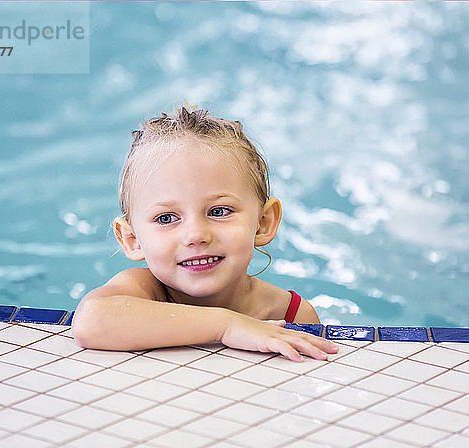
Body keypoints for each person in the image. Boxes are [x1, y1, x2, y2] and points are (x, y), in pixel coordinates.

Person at [72, 104, 340, 362]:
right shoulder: (142, 291)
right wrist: (227, 325)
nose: (196, 235)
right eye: (166, 218)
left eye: (219, 211)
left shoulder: (292, 313)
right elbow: (90, 320)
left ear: (263, 222)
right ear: (132, 240)